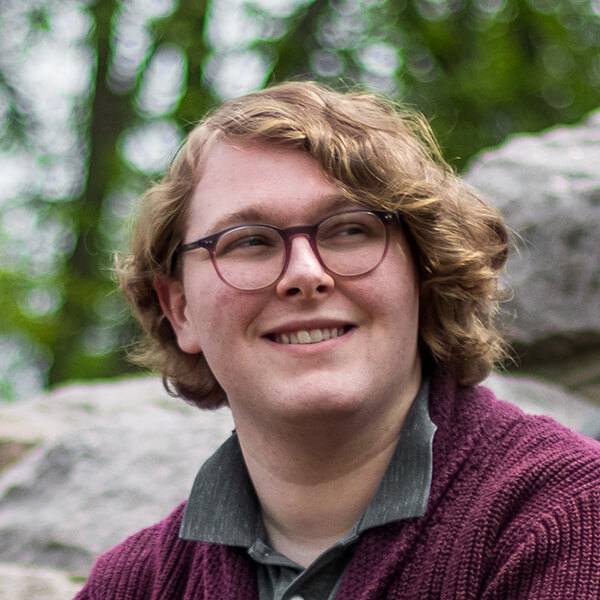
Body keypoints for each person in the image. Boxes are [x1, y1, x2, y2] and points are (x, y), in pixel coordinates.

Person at [75, 81, 600, 599]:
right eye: (249, 241)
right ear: (180, 309)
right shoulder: (130, 585)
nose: (305, 274)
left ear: (425, 270)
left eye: (350, 230)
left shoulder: (569, 516)